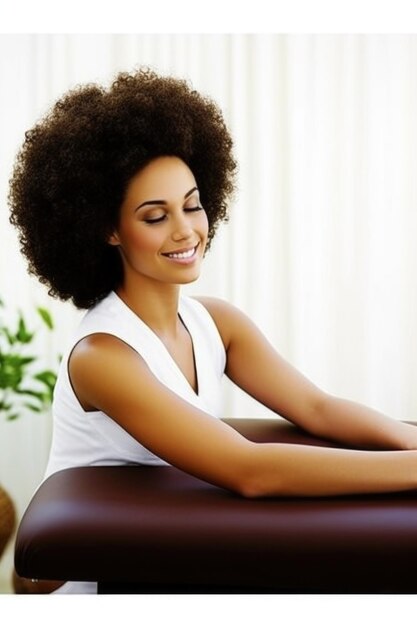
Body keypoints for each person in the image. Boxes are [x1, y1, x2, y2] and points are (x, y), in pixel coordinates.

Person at [9, 67, 417, 594]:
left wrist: (409, 441)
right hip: (103, 584)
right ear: (107, 229)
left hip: (173, 561)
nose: (186, 230)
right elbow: (250, 470)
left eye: (193, 204)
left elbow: (317, 408)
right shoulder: (102, 356)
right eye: (155, 216)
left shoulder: (215, 323)